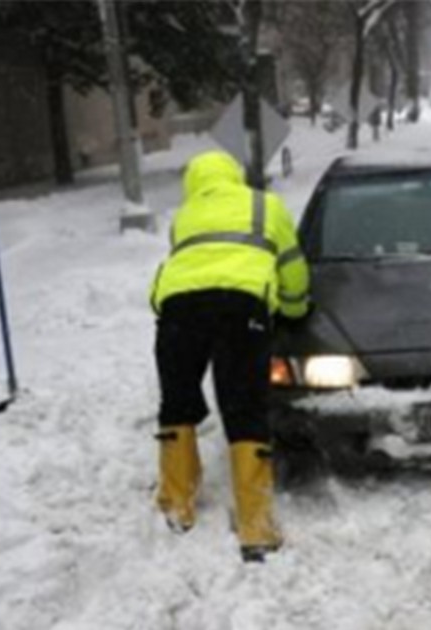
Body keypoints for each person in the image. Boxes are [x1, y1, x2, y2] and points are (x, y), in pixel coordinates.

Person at [149, 150, 310, 562]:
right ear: (234, 177)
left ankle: (176, 505)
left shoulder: (184, 216)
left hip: (178, 312)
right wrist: (294, 309)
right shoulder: (265, 205)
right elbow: (292, 268)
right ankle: (255, 526)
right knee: (244, 409)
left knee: (177, 402)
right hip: (241, 309)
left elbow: (176, 269)